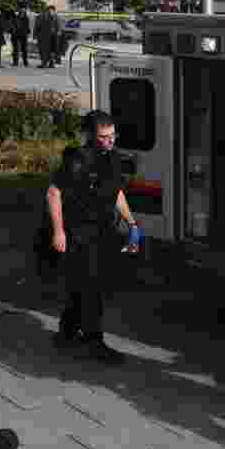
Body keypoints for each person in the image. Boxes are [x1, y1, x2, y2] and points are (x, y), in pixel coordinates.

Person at [46, 110, 140, 364]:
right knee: (92, 288)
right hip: (79, 234)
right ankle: (94, 342)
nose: (109, 141)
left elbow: (116, 193)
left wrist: (132, 223)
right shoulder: (78, 160)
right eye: (103, 137)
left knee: (84, 286)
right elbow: (54, 193)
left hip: (103, 232)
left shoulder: (114, 159)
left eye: (112, 135)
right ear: (89, 136)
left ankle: (66, 333)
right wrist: (58, 231)